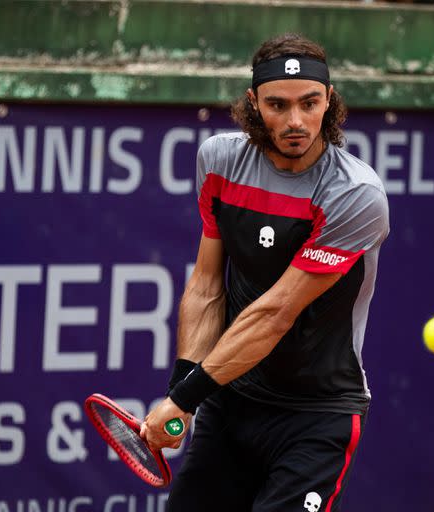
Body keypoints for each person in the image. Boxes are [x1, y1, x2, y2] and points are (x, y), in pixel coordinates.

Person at [140, 33, 390, 512]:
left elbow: (275, 313)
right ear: (253, 103)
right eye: (277, 105)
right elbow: (208, 286)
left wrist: (185, 398)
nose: (295, 121)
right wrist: (182, 389)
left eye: (309, 103)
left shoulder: (355, 195)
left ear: (329, 100)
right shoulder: (219, 160)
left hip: (316, 417)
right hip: (231, 404)